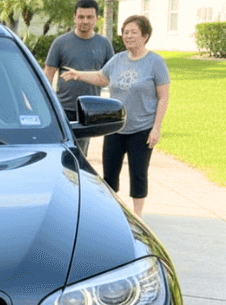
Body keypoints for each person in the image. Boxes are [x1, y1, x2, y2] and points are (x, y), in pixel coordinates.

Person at [61, 14, 170, 218]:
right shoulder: (118, 59)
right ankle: (111, 214)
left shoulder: (155, 62)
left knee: (138, 174)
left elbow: (163, 97)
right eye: (125, 32)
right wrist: (79, 74)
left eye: (133, 32)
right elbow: (102, 78)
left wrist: (156, 128)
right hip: (115, 127)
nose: (128, 36)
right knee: (109, 174)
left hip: (141, 129)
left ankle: (138, 216)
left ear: (145, 36)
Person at [43, 0, 115, 155]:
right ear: (74, 17)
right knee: (60, 152)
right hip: (63, 108)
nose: (85, 21)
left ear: (96, 18)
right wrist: (46, 105)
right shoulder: (60, 43)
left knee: (80, 156)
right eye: (81, 17)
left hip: (89, 110)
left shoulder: (104, 44)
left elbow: (109, 77)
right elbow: (47, 75)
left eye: (90, 17)